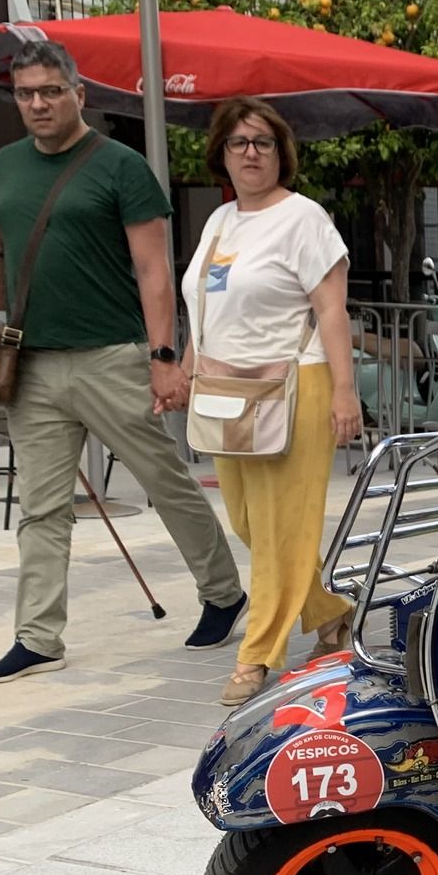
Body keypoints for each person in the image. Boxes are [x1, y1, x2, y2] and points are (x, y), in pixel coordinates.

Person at [0, 40, 243, 686]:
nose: (38, 104)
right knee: (41, 507)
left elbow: (154, 270)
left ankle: (223, 592)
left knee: (164, 480)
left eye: (51, 91)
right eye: (26, 93)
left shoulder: (120, 166)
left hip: (111, 356)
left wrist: (163, 355)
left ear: (78, 94)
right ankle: (38, 637)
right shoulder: (6, 165)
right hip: (32, 362)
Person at [180, 97, 362, 705]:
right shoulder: (220, 220)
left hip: (295, 386)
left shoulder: (304, 218)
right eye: (239, 142)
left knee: (282, 526)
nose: (251, 153)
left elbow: (331, 310)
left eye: (263, 142)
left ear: (281, 152)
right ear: (222, 154)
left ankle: (258, 654)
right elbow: (205, 304)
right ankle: (330, 613)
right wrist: (187, 367)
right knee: (248, 521)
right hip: (228, 390)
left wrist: (344, 391)